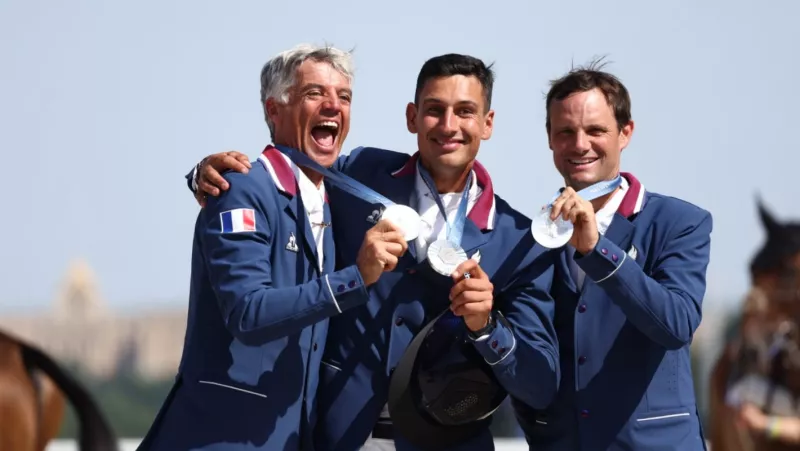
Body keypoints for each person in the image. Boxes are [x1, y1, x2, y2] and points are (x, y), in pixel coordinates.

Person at [187, 53, 560, 451]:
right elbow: (292, 166)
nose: (449, 126)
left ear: (487, 124)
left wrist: (487, 326)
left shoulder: (520, 240)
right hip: (339, 433)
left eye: (465, 111)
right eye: (435, 110)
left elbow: (539, 385)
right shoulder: (358, 174)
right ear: (412, 117)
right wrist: (206, 175)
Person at [138, 44, 406, 451]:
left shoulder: (336, 192)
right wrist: (354, 279)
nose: (333, 105)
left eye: (344, 96)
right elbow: (248, 312)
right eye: (315, 93)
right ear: (274, 110)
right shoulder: (240, 189)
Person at [511, 60, 714, 450]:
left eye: (596, 130)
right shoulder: (531, 238)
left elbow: (676, 324)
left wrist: (597, 251)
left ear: (626, 133)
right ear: (550, 138)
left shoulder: (680, 222)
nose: (580, 144)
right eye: (566, 132)